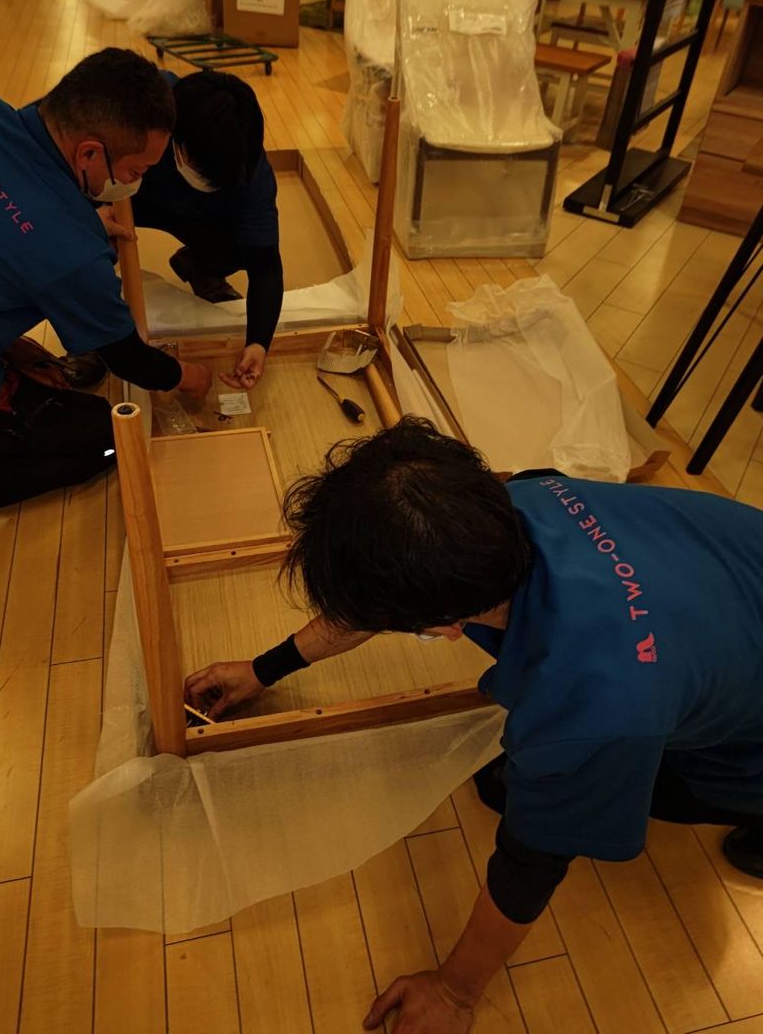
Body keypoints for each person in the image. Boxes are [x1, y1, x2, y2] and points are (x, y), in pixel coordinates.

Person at [185, 418, 763, 1034]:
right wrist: (264, 669)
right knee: (513, 780)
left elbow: (533, 859)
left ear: (443, 627)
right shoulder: (510, 501)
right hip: (730, 580)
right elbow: (378, 597)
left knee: (594, 791)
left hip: (737, 730)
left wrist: (455, 991)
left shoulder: (597, 703)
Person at [0, 48, 211, 508]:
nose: (136, 182)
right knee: (110, 435)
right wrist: (191, 376)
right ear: (90, 152)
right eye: (136, 170)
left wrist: (8, 343)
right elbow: (130, 360)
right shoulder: (72, 255)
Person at [132, 69, 283, 392]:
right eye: (204, 172)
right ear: (177, 140)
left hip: (196, 214)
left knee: (244, 245)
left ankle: (199, 267)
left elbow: (266, 267)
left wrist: (258, 343)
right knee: (87, 241)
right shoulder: (144, 106)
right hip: (135, 193)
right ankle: (91, 339)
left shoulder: (248, 170)